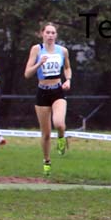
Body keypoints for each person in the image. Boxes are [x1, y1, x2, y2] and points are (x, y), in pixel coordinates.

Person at [24, 22, 72, 176]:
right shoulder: (36, 49)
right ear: (42, 34)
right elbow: (27, 74)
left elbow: (67, 67)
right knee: (45, 133)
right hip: (42, 92)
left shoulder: (62, 51)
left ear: (56, 35)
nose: (50, 35)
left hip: (58, 91)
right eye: (48, 32)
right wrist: (39, 63)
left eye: (53, 33)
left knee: (59, 123)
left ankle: (61, 139)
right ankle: (47, 161)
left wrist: (68, 80)